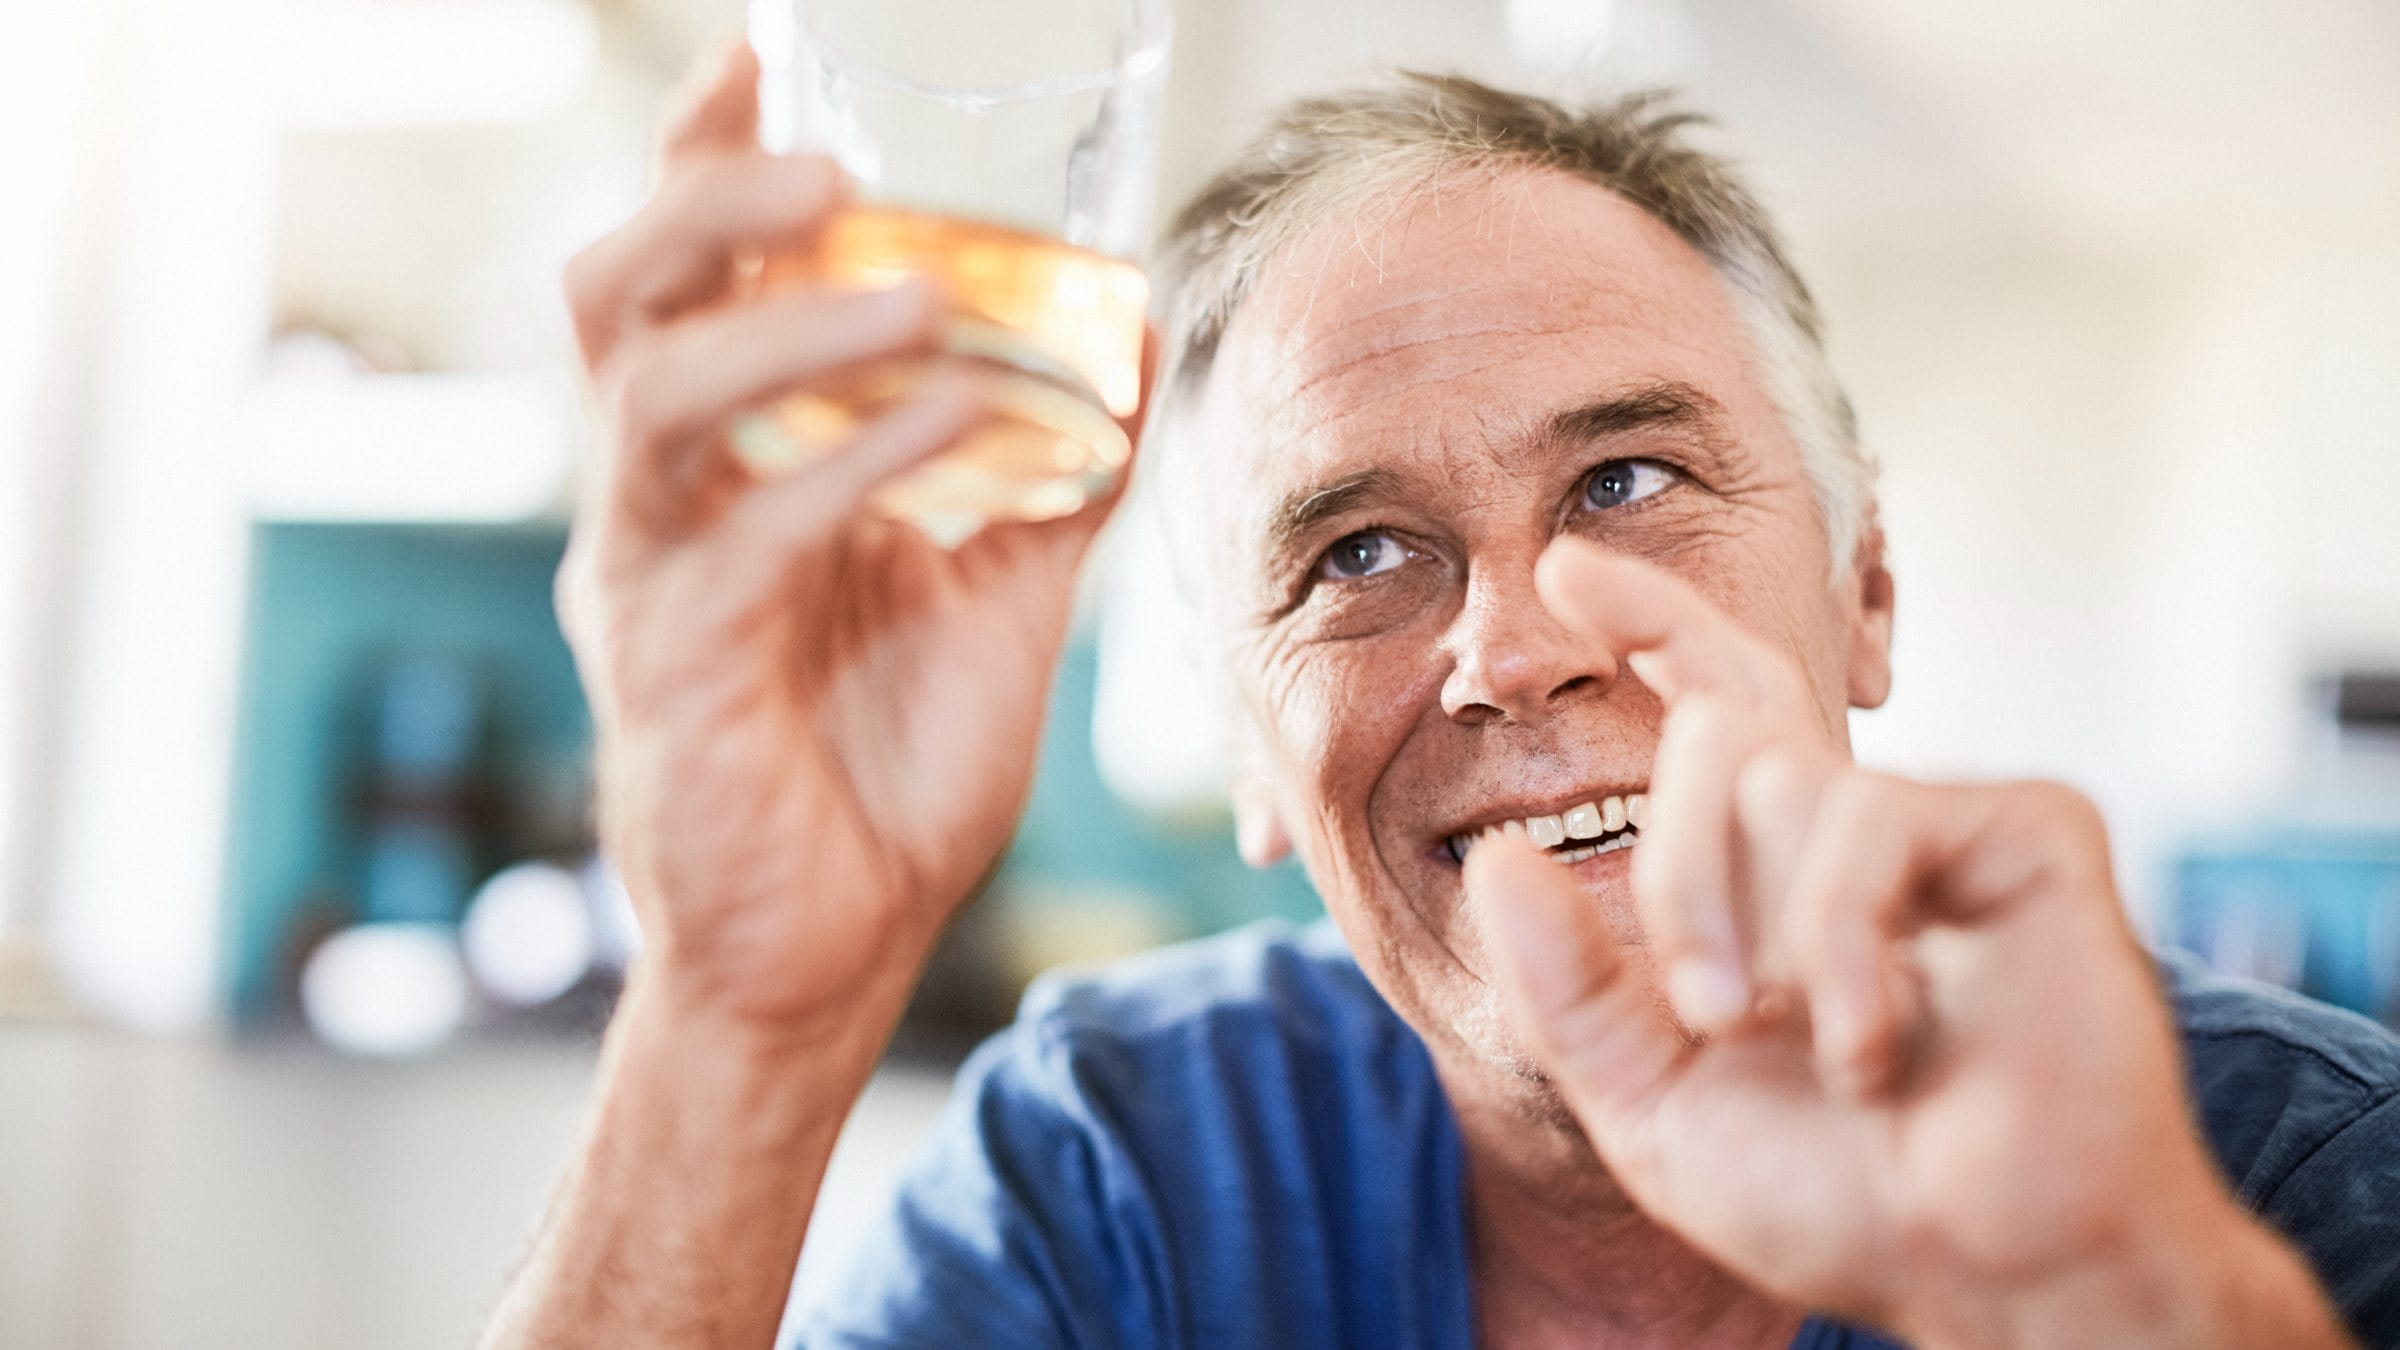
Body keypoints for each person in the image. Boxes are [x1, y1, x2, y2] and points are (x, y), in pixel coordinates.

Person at [480, 42, 2400, 1350]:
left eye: (1628, 482)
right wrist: (741, 1017)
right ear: (1246, 742)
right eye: (1359, 553)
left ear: (1864, 589)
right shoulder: (1117, 1177)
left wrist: (2119, 1299)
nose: (1510, 644)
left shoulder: (2303, 1174)